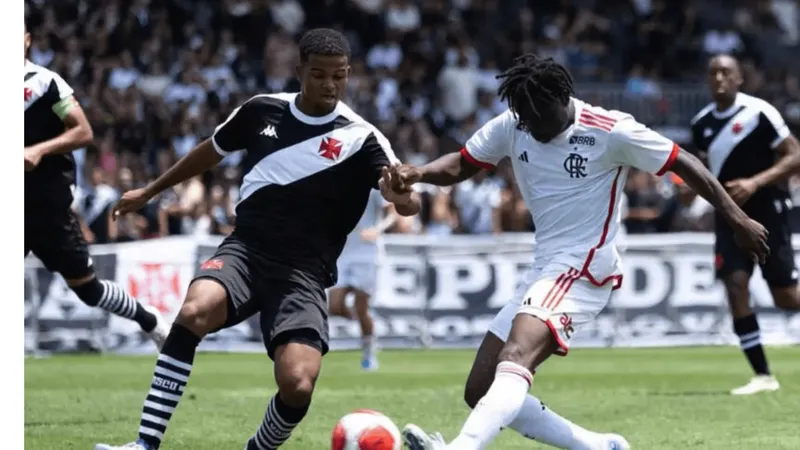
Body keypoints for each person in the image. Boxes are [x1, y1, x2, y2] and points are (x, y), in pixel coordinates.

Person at [383, 54, 769, 450]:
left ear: (564, 98)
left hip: (585, 266)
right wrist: (420, 172)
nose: (531, 127)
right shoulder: (517, 123)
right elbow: (462, 164)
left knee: (515, 356)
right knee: (480, 389)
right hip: (545, 267)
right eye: (524, 118)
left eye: (539, 117)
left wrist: (736, 218)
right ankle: (601, 447)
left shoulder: (611, 130)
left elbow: (684, 162)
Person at [95, 28, 419, 450]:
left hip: (304, 273)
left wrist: (401, 197)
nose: (330, 85)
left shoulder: (363, 138)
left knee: (299, 384)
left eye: (339, 76)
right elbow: (210, 149)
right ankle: (144, 444)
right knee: (195, 310)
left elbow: (406, 199)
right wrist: (150, 191)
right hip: (246, 250)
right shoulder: (261, 110)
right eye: (319, 75)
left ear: (349, 74)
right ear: (300, 70)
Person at [24, 22, 168, 350]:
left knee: (88, 290)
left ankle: (148, 318)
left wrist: (39, 150)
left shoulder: (45, 82)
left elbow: (84, 132)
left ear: (27, 40)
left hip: (47, 208)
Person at [690, 54, 800, 395]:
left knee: (785, 297)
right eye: (713, 73)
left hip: (768, 211)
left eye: (726, 72)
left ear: (740, 78)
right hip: (730, 217)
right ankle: (763, 376)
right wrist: (687, 191)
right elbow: (704, 171)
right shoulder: (701, 124)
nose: (719, 78)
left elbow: (795, 154)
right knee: (735, 287)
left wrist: (754, 183)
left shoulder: (760, 113)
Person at [328, 189, 398, 371]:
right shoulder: (336, 181)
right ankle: (368, 326)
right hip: (342, 253)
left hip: (367, 253)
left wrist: (377, 229)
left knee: (362, 307)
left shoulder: (373, 187)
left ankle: (368, 350)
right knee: (334, 305)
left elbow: (392, 213)